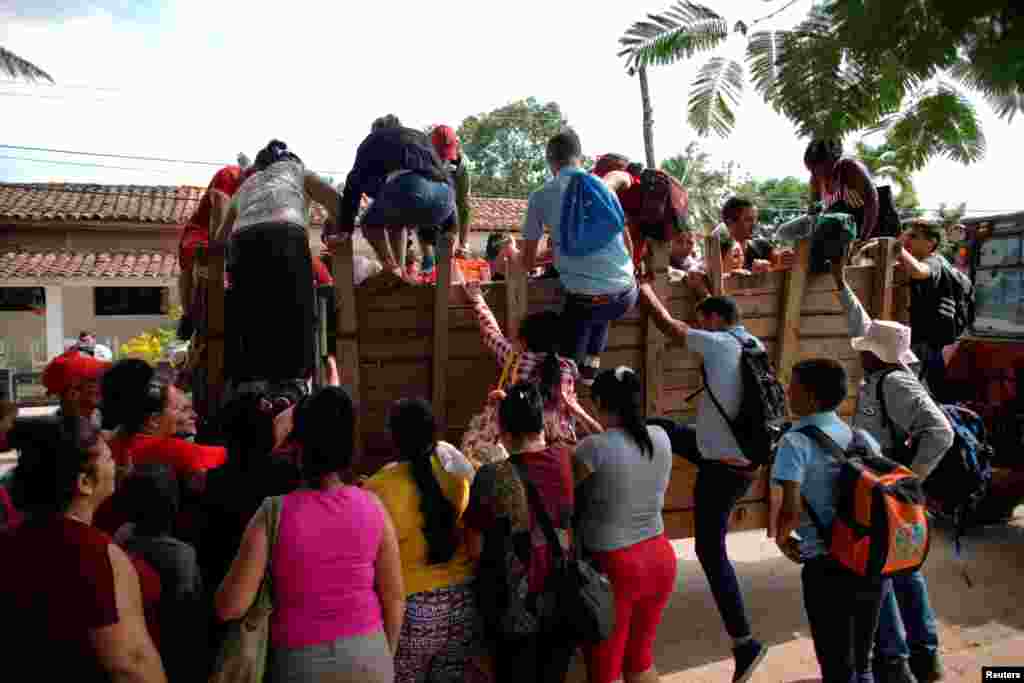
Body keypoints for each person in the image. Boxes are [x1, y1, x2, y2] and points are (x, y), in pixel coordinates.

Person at [215, 386, 404, 683]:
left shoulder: (273, 513)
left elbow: (231, 606)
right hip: (370, 656)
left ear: (297, 445)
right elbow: (394, 597)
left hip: (299, 663)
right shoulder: (373, 506)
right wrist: (382, 655)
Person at [636, 290, 769, 683]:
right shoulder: (750, 342)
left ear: (712, 320)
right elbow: (716, 316)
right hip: (738, 454)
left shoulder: (715, 344)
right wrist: (701, 290)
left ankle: (744, 642)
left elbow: (671, 327)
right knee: (665, 428)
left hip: (722, 469)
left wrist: (646, 294)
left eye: (702, 318)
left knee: (710, 551)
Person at [831, 256, 951, 683]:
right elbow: (861, 323)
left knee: (882, 576)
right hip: (887, 492)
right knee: (903, 572)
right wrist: (839, 282)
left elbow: (941, 432)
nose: (860, 351)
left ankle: (897, 661)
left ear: (876, 357)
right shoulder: (883, 373)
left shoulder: (895, 383)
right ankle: (924, 656)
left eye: (866, 350)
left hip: (889, 495)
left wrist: (909, 481)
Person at [0, 416, 167, 683]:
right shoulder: (94, 551)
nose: (120, 465)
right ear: (84, 483)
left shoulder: (9, 538)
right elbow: (130, 663)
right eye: (109, 459)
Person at [772, 358, 887, 683]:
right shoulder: (862, 438)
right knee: (862, 655)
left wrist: (783, 539)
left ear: (811, 397)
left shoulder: (795, 442)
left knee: (835, 657)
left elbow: (791, 508)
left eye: (792, 387)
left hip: (827, 562)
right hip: (869, 559)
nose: (787, 392)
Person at [463, 382, 576, 683]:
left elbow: (474, 550)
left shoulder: (492, 476)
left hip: (513, 611)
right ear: (541, 422)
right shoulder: (565, 460)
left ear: (504, 431)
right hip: (561, 600)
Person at [365, 399, 483, 682]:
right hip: (463, 604)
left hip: (414, 610)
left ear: (393, 438)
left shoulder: (378, 489)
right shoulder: (456, 477)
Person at [574, 367, 676, 683]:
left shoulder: (593, 449)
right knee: (639, 660)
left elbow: (566, 494)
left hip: (615, 566)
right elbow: (621, 447)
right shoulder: (660, 437)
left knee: (605, 669)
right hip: (660, 557)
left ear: (601, 401)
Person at [215, 139, 343, 387]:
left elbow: (220, 238)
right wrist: (335, 227)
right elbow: (336, 201)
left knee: (252, 312)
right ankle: (294, 383)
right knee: (297, 309)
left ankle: (254, 386)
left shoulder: (246, 185)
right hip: (286, 235)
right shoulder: (297, 170)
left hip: (244, 243)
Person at [519, 129, 638, 384]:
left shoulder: (540, 196)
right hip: (626, 295)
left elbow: (528, 262)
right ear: (580, 157)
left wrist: (556, 254)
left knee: (583, 307)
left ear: (550, 161)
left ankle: (572, 375)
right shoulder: (603, 188)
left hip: (586, 303)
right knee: (601, 303)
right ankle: (590, 367)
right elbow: (626, 240)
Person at [459, 278, 601, 467]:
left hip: (517, 449)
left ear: (524, 341)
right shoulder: (566, 369)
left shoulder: (515, 359)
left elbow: (490, 332)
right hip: (559, 455)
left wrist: (477, 298)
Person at [333, 115, 457, 279]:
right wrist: (451, 227)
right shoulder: (419, 137)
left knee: (369, 223)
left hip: (411, 190)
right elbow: (444, 177)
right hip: (445, 199)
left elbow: (353, 183)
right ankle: (402, 272)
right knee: (395, 220)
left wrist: (345, 229)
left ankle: (391, 267)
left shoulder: (373, 139)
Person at [118, 465, 206, 683]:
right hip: (167, 648)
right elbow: (189, 615)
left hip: (130, 638)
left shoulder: (122, 535)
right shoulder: (182, 555)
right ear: (174, 505)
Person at [177, 164, 248, 339]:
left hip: (235, 235)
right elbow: (219, 215)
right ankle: (189, 318)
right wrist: (219, 255)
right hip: (202, 233)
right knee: (203, 257)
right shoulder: (229, 175)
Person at [896, 218, 956, 402]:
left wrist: (896, 246)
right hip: (921, 345)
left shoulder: (934, 262)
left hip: (924, 346)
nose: (907, 239)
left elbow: (919, 271)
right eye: (906, 234)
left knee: (918, 397)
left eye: (913, 236)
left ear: (931, 243)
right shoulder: (918, 260)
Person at [804, 139, 880, 240]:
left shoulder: (850, 168)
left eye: (818, 168)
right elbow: (812, 213)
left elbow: (872, 203)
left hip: (873, 227)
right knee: (785, 230)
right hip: (841, 233)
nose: (814, 173)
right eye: (810, 169)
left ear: (832, 160)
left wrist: (863, 239)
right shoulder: (815, 179)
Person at [428, 124, 474, 264]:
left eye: (446, 154)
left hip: (449, 207)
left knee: (448, 257)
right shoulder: (421, 160)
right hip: (428, 208)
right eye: (440, 154)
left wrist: (463, 244)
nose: (444, 159)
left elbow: (464, 206)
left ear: (457, 145)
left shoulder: (462, 166)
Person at [712, 197, 795, 273]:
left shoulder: (762, 246)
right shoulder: (717, 252)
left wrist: (785, 258)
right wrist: (753, 276)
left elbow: (780, 261)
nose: (754, 224)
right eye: (748, 220)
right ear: (730, 223)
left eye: (755, 219)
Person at [40, 347, 109, 425]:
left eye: (98, 379)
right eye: (92, 380)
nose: (98, 387)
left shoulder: (97, 420)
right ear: (73, 393)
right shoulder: (62, 430)